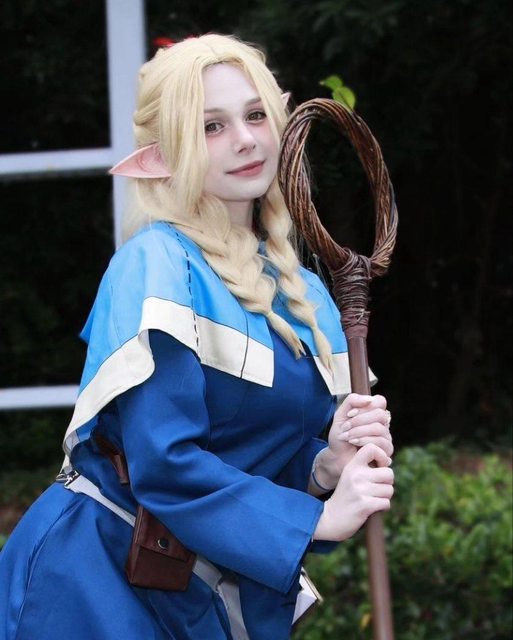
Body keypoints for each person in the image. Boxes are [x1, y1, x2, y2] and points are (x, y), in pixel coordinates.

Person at [0, 34, 394, 640]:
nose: (245, 139)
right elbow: (164, 463)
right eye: (211, 126)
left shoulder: (302, 292)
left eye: (256, 115)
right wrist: (311, 522)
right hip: (93, 586)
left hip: (192, 592)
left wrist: (323, 467)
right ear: (165, 154)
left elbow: (247, 456)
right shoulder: (156, 264)